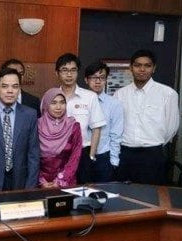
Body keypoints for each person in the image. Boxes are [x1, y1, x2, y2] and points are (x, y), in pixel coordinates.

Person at [113, 49, 179, 185]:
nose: (142, 69)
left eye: (147, 65)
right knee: (123, 196)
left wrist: (153, 143)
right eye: (137, 65)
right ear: (131, 68)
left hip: (153, 155)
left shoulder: (167, 94)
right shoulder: (120, 94)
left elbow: (171, 128)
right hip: (125, 153)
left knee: (152, 198)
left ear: (154, 68)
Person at [56, 53, 106, 184]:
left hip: (83, 153)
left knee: (83, 192)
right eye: (64, 70)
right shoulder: (51, 97)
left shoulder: (89, 97)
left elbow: (97, 128)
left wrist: (91, 155)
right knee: (60, 190)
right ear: (57, 73)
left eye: (73, 70)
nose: (69, 74)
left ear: (78, 73)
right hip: (58, 153)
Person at [84, 61, 124, 182]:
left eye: (102, 78)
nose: (98, 81)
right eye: (94, 77)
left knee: (103, 196)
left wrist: (113, 162)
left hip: (103, 157)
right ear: (86, 80)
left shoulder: (114, 104)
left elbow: (116, 135)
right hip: (81, 156)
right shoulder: (79, 101)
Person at [38, 88, 82, 188]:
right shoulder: (37, 126)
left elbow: (75, 156)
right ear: (46, 104)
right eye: (53, 103)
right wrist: (41, 180)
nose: (58, 107)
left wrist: (60, 180)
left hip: (66, 181)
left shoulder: (73, 126)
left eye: (62, 102)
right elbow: (31, 156)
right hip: (40, 182)